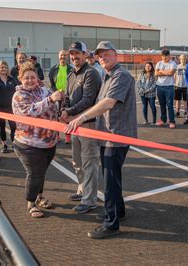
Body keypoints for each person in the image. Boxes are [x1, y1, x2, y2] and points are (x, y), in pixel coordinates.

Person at [65, 41, 137, 239]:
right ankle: (118, 212)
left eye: (107, 54)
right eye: (100, 55)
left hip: (116, 136)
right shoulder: (107, 76)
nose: (103, 57)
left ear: (116, 55)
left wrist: (81, 117)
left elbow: (108, 102)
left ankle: (111, 224)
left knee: (110, 181)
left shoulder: (121, 75)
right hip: (107, 135)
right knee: (113, 178)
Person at [12, 62, 63, 218]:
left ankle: (39, 197)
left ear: (37, 78)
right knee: (35, 173)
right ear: (20, 78)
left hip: (49, 141)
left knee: (42, 172)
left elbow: (54, 109)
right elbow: (29, 112)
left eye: (32, 77)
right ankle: (31, 204)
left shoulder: (44, 90)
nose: (30, 80)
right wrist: (50, 100)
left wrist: (62, 109)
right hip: (28, 143)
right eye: (26, 78)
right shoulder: (19, 96)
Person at [60, 41, 102, 214]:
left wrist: (68, 111)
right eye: (72, 53)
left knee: (89, 162)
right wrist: (64, 109)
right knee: (77, 162)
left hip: (88, 125)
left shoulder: (91, 74)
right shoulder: (71, 75)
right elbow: (68, 98)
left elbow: (88, 100)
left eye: (78, 53)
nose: (74, 56)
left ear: (86, 55)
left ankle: (90, 200)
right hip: (74, 126)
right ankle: (82, 190)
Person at [49, 50, 73, 144]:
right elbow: (51, 83)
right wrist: (56, 92)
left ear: (68, 57)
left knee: (67, 116)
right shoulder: (53, 69)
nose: (63, 57)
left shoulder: (71, 69)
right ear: (58, 57)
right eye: (61, 55)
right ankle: (57, 135)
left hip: (68, 95)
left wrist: (66, 92)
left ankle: (67, 136)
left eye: (65, 55)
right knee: (56, 116)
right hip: (57, 95)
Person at [0, 60, 18, 153]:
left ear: (7, 69)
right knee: (2, 127)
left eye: (5, 67)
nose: (3, 69)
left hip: (10, 107)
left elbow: (17, 90)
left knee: (13, 126)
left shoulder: (12, 79)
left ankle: (14, 144)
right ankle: (4, 145)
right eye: (1, 67)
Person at [155, 49, 177, 128]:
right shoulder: (159, 63)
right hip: (160, 86)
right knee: (162, 105)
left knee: (170, 105)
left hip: (169, 87)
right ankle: (163, 120)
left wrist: (161, 71)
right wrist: (165, 72)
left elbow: (171, 73)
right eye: (163, 56)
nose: (164, 58)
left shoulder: (173, 63)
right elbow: (156, 73)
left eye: (166, 56)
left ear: (169, 56)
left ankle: (172, 121)